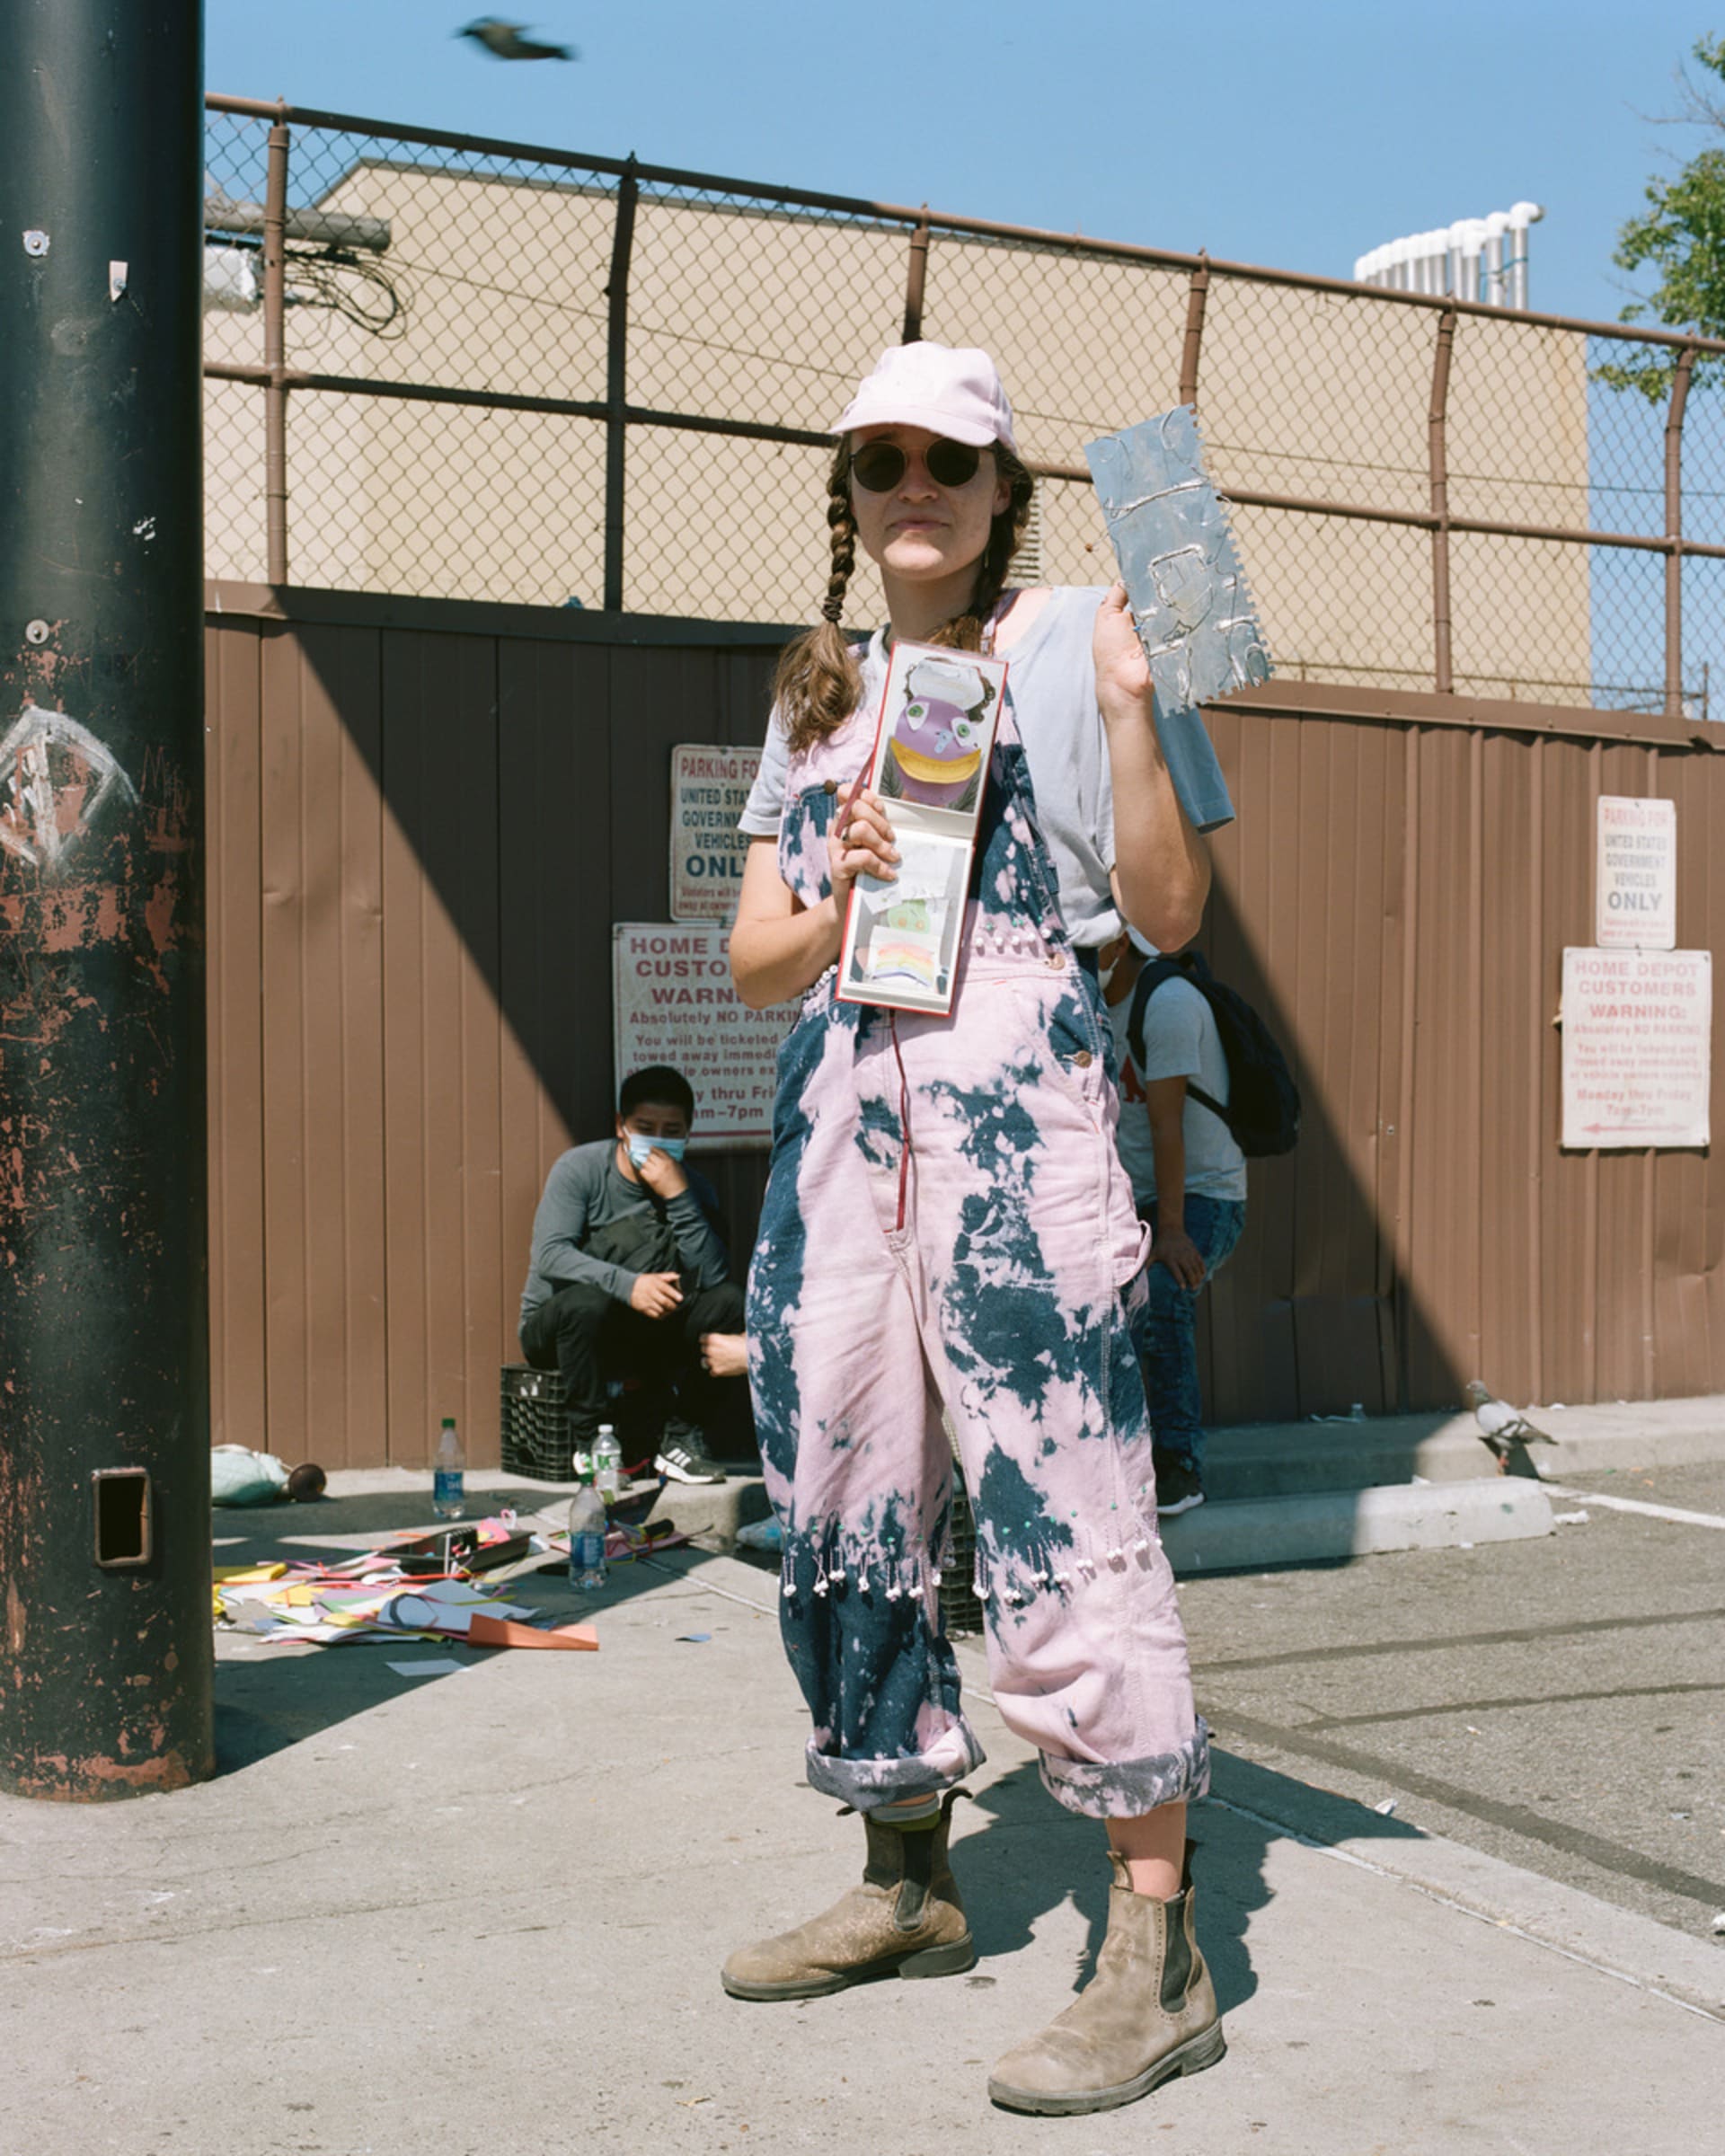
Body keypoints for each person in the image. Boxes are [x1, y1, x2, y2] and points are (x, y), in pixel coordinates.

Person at [722, 341, 1236, 2116]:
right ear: (848, 496)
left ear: (1007, 487)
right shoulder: (811, 696)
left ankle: (1156, 1953)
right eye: (879, 462)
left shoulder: (1075, 643)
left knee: (1066, 1512)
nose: (912, 488)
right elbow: (752, 955)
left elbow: (1164, 913)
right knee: (841, 1500)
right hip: (843, 1122)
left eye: (948, 459)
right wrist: (846, 875)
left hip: (1020, 1114)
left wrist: (1138, 711)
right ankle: (907, 1882)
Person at [518, 1065, 745, 1484]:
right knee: (586, 1303)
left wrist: (678, 1196)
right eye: (645, 1127)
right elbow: (551, 1255)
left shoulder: (694, 1187)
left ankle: (680, 1440)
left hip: (646, 1335)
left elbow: (712, 1276)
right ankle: (590, 1444)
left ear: (689, 1132)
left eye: (671, 1130)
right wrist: (629, 1286)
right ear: (621, 1126)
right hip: (565, 1331)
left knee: (730, 1303)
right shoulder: (580, 1169)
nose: (658, 1139)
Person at [1105, 932, 1248, 1515]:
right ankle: (1108, 1457)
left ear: (1118, 936)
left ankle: (1178, 1465)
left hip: (1201, 1197)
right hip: (1128, 1197)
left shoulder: (1165, 1002)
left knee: (1159, 1289)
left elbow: (1167, 1128)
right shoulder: (1087, 1000)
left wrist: (1169, 1231)